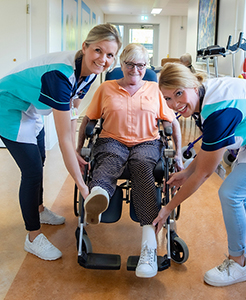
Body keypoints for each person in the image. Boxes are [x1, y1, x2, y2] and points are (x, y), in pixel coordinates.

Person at [151, 63, 246, 286]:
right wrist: (186, 172)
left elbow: (204, 174)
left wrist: (167, 209)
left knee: (231, 194)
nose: (175, 104)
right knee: (238, 194)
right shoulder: (206, 95)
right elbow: (208, 148)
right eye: (168, 99)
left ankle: (238, 263)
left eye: (179, 93)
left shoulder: (219, 111)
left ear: (193, 84)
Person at [1, 23, 119, 261]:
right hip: (8, 106)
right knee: (32, 171)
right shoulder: (61, 75)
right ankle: (32, 237)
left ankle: (39, 209)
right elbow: (63, 137)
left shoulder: (90, 74)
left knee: (40, 159)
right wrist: (82, 187)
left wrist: (77, 150)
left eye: (110, 55)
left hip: (30, 108)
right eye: (98, 50)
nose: (103, 59)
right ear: (85, 47)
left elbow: (73, 113)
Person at [80, 43, 182, 278]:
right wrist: (78, 151)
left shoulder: (154, 89)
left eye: (141, 65)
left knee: (142, 167)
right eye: (129, 64)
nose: (135, 70)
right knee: (110, 159)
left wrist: (177, 154)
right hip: (111, 139)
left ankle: (149, 246)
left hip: (147, 142)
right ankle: (99, 197)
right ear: (121, 63)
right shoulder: (106, 88)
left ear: (146, 67)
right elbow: (88, 119)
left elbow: (172, 121)